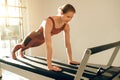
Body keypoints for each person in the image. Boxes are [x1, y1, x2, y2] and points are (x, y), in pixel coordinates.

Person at [12, 4, 80, 71]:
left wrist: (70, 60)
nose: (69, 19)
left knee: (29, 46)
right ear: (61, 13)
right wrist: (49, 66)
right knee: (23, 45)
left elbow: (67, 44)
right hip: (33, 37)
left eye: (71, 17)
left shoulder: (66, 26)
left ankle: (21, 51)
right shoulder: (49, 21)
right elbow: (48, 46)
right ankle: (13, 51)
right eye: (68, 16)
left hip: (41, 40)